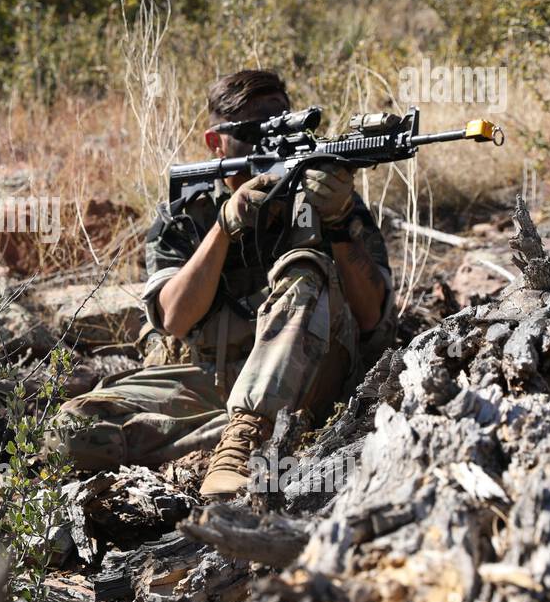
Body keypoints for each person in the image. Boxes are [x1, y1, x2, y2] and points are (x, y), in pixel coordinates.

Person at [55, 70, 397, 498]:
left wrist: (341, 220)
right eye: (253, 132)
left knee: (305, 264)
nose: (271, 143)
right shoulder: (187, 213)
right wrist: (223, 227)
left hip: (308, 372)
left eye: (283, 124)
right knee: (73, 429)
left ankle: (247, 442)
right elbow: (175, 319)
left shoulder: (325, 198)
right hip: (208, 377)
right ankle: (245, 433)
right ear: (216, 142)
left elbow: (373, 319)